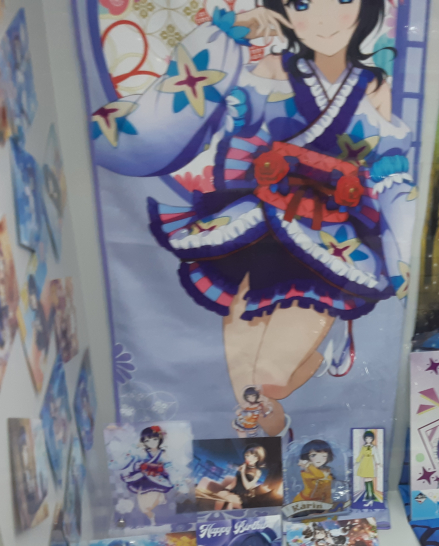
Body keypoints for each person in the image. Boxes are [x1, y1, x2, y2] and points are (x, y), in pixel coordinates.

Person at [90, 0, 415, 437]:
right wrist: (233, 32)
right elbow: (206, 112)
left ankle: (279, 401)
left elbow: (390, 173)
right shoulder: (269, 70)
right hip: (255, 226)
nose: (321, 19)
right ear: (281, 11)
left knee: (268, 376)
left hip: (327, 239)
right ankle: (263, 442)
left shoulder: (373, 86)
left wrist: (400, 250)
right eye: (302, 4)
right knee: (247, 379)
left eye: (342, 1)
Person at [119, 426, 174, 525]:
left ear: (159, 439)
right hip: (143, 477)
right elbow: (135, 461)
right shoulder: (143, 452)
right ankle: (151, 517)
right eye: (147, 440)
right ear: (144, 442)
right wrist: (140, 464)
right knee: (142, 504)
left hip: (157, 478)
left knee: (152, 500)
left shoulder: (162, 453)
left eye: (155, 439)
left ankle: (157, 506)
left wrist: (163, 468)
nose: (152, 443)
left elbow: (168, 465)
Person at [216, 444, 267, 508]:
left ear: (258, 458)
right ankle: (216, 513)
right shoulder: (241, 467)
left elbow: (248, 487)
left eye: (254, 456)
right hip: (234, 491)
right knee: (220, 495)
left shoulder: (257, 472)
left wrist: (243, 472)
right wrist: (225, 489)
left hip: (243, 496)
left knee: (230, 499)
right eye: (247, 455)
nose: (249, 458)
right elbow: (234, 483)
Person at [295, 440, 335, 505]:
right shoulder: (305, 472)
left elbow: (328, 490)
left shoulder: (327, 471)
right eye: (313, 455)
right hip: (303, 502)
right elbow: (319, 476)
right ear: (307, 456)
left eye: (324, 455)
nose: (319, 459)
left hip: (319, 502)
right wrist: (308, 465)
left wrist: (327, 501)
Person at [355, 430, 380, 503]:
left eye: (370, 438)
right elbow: (361, 454)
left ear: (372, 439)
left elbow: (376, 455)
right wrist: (357, 461)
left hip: (370, 462)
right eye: (367, 438)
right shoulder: (363, 447)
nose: (368, 440)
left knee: (370, 478)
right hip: (364, 462)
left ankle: (371, 494)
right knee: (366, 479)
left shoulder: (373, 447)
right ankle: (368, 494)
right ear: (364, 439)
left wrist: (378, 462)